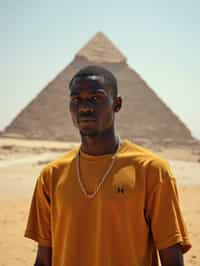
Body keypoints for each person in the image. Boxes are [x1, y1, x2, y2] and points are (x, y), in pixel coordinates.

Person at [25, 65, 191, 266]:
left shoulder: (151, 170)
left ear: (117, 104)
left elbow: (172, 258)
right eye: (76, 99)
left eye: (96, 98)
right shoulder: (51, 175)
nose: (85, 107)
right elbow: (43, 260)